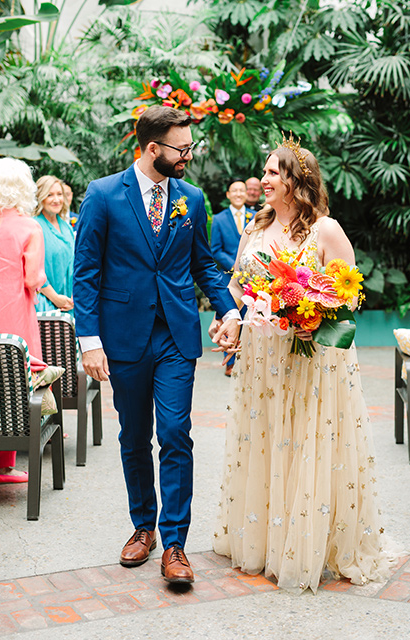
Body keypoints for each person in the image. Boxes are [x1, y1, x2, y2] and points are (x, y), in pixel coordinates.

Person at [212, 135, 395, 593]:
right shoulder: (254, 231)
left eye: (274, 172)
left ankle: (309, 546)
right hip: (261, 357)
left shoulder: (325, 230)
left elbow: (349, 292)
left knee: (305, 441)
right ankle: (268, 539)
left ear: (298, 180)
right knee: (270, 439)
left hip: (309, 357)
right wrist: (230, 324)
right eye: (266, 171)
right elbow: (239, 289)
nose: (265, 179)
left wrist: (317, 315)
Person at [73, 105, 240, 583]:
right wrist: (90, 341)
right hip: (123, 337)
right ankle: (141, 527)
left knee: (173, 433)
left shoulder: (192, 198)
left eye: (190, 147)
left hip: (176, 335)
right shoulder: (103, 195)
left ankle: (174, 544)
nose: (188, 155)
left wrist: (229, 309)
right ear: (152, 149)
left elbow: (204, 264)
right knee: (133, 436)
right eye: (181, 148)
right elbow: (85, 274)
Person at [0, 157, 49, 484]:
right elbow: (33, 279)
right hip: (15, 311)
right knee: (11, 381)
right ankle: (3, 466)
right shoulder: (30, 227)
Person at [210, 179, 256, 376]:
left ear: (246, 194)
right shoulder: (219, 219)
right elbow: (215, 249)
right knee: (229, 315)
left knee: (250, 317)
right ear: (228, 195)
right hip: (229, 277)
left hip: (253, 278)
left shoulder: (257, 217)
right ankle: (229, 360)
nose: (238, 194)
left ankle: (250, 358)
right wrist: (236, 266)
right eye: (234, 191)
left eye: (241, 190)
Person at [34, 176, 75, 313]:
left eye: (59, 194)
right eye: (50, 195)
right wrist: (55, 298)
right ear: (41, 197)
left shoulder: (67, 227)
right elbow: (32, 270)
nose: (56, 200)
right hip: (45, 304)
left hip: (69, 304)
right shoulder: (34, 226)